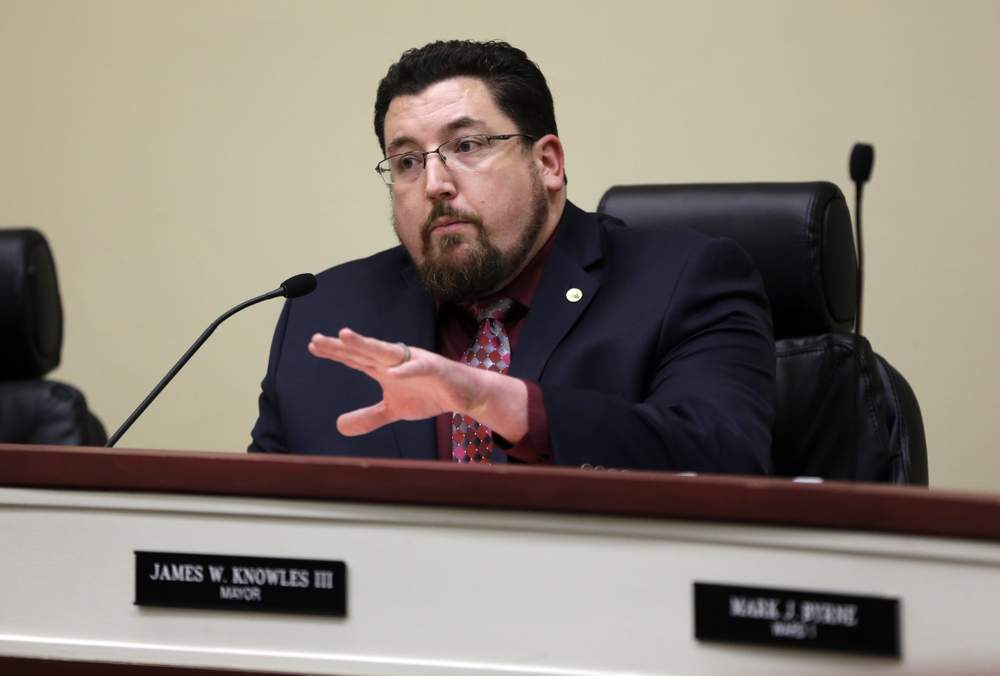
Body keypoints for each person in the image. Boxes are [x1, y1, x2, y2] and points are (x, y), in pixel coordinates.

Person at [249, 40, 775, 473]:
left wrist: (497, 402)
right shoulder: (325, 314)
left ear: (547, 162)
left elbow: (727, 460)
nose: (434, 184)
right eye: (407, 161)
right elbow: (264, 524)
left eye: (469, 146)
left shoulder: (682, 281)